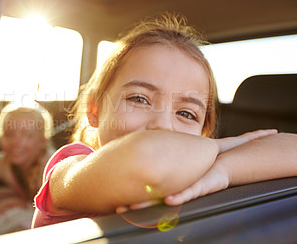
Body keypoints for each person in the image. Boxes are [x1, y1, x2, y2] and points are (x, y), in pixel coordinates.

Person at [31, 12, 297, 228]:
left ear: (202, 134)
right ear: (95, 109)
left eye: (185, 114)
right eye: (139, 99)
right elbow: (146, 159)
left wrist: (224, 171)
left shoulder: (202, 173)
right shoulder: (70, 169)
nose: (162, 125)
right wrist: (220, 147)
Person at [0, 103, 54, 236]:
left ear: (43, 141)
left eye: (27, 136)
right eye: (9, 134)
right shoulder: (2, 162)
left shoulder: (48, 166)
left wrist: (20, 203)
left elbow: (51, 213)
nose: (16, 143)